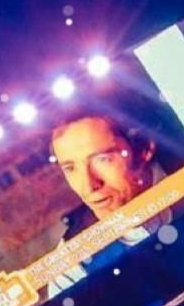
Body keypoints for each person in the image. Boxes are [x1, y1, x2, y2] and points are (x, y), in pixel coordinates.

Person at [46, 113, 164, 296]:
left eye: (103, 159)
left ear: (143, 150)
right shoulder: (71, 266)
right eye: (70, 168)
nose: (89, 185)